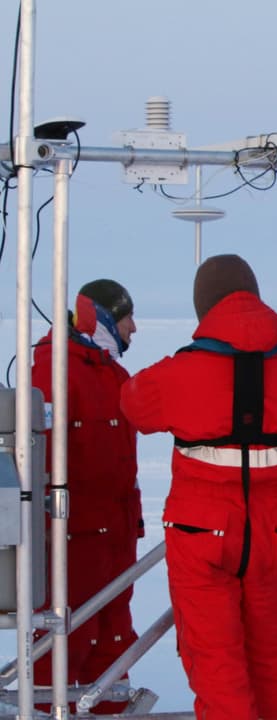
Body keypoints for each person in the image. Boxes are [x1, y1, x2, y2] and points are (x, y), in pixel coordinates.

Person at [120, 254, 277, 720]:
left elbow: (135, 406)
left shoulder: (179, 372)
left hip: (203, 535)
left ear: (205, 308)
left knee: (216, 660)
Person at [31, 279, 142, 715]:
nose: (135, 328)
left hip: (115, 540)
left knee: (113, 637)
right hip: (70, 542)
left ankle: (108, 708)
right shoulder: (52, 369)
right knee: (66, 639)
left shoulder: (114, 374)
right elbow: (37, 460)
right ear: (103, 319)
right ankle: (47, 708)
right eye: (127, 317)